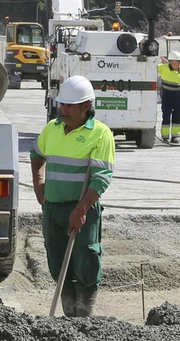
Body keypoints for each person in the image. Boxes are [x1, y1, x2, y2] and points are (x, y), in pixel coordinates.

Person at [30, 74, 116, 317]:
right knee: (57, 261)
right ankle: (69, 318)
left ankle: (84, 317)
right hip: (52, 208)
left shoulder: (100, 134)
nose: (64, 110)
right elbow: (36, 155)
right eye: (62, 104)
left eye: (70, 105)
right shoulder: (52, 129)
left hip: (81, 209)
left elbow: (101, 177)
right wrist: (38, 181)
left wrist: (81, 209)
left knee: (85, 259)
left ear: (87, 106)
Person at [157, 53, 180, 144]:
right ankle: (165, 137)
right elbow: (152, 64)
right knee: (166, 116)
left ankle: (175, 137)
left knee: (178, 117)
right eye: (178, 61)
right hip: (167, 96)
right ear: (171, 62)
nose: (179, 63)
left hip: (179, 97)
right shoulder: (163, 68)